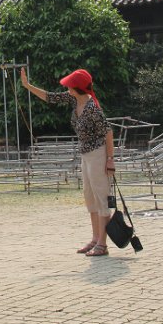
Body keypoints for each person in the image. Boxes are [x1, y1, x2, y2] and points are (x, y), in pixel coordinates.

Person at [20, 67, 115, 257]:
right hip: (86, 155)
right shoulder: (74, 99)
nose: (67, 88)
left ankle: (103, 245)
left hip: (98, 155)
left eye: (70, 86)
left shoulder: (92, 109)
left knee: (102, 198)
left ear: (77, 88)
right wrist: (27, 85)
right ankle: (95, 239)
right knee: (90, 197)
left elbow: (108, 132)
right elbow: (50, 97)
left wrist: (110, 160)